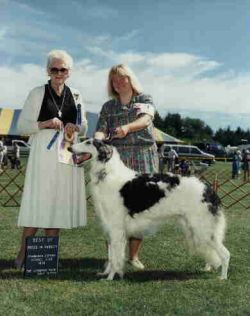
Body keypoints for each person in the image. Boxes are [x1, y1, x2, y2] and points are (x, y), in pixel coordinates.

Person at [15, 50, 88, 268]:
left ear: (69, 72)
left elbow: (84, 125)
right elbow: (21, 127)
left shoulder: (76, 95)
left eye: (63, 69)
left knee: (57, 205)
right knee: (39, 203)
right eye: (54, 69)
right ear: (48, 71)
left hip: (66, 154)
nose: (58, 73)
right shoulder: (37, 93)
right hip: (43, 157)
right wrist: (45, 123)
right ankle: (22, 253)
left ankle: (47, 258)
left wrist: (77, 127)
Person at [95, 64, 159, 270]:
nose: (119, 83)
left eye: (123, 78)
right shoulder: (108, 107)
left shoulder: (144, 100)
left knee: (140, 209)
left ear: (131, 79)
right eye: (114, 80)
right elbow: (100, 130)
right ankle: (113, 257)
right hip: (117, 160)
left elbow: (145, 120)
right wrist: (97, 140)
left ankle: (133, 256)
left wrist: (127, 128)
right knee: (114, 209)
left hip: (143, 157)